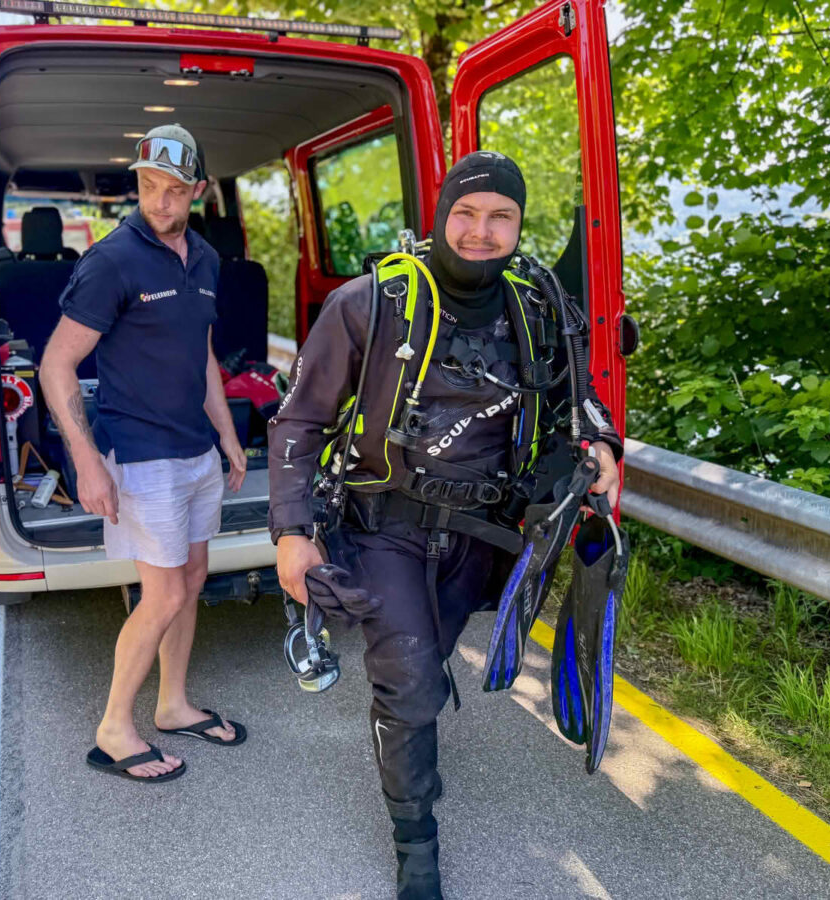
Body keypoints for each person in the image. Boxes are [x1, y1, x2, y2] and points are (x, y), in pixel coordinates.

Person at [268, 151, 624, 898]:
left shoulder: (536, 306)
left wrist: (604, 448)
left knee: (427, 662)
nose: (481, 231)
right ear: (440, 215)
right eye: (466, 213)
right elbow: (298, 421)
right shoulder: (370, 303)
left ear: (520, 225)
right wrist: (292, 530)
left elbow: (579, 398)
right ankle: (416, 849)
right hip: (382, 524)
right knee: (410, 682)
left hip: (483, 537)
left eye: (501, 217)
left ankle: (414, 735)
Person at [40, 124, 249, 784]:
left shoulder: (207, 261)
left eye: (175, 190)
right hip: (141, 455)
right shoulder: (112, 261)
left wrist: (228, 436)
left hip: (194, 453)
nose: (160, 202)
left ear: (199, 192)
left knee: (190, 585)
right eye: (148, 187)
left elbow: (205, 359)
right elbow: (56, 365)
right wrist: (86, 459)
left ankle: (173, 704)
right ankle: (112, 729)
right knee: (159, 596)